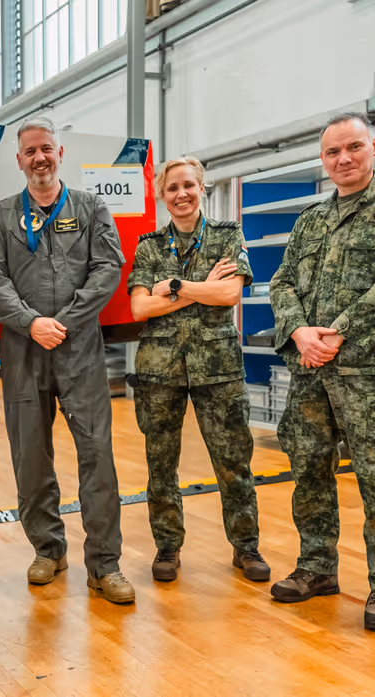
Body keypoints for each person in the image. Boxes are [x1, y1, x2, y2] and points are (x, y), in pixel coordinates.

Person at [267, 112, 375, 632]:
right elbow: (281, 282)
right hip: (310, 373)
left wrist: (338, 333)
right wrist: (299, 331)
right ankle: (317, 567)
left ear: (374, 146)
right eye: (333, 151)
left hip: (371, 375)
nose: (343, 159)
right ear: (323, 159)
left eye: (353, 147)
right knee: (309, 474)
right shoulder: (310, 220)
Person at [0, 116, 133, 604]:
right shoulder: (2, 216)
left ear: (60, 154)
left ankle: (105, 565)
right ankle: (48, 549)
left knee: (97, 456)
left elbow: (108, 269)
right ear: (19, 160)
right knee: (30, 457)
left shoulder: (91, 208)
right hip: (23, 352)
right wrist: (31, 324)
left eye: (46, 148)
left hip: (80, 350)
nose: (39, 158)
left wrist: (63, 322)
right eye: (30, 151)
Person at [128, 156, 269, 583]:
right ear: (162, 195)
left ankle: (246, 546)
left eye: (188, 185)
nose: (181, 194)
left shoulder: (228, 235)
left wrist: (174, 287)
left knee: (233, 462)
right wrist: (204, 288)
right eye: (172, 188)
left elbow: (229, 295)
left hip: (218, 369)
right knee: (161, 466)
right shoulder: (149, 246)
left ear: (201, 188)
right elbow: (139, 307)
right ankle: (167, 547)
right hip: (160, 370)